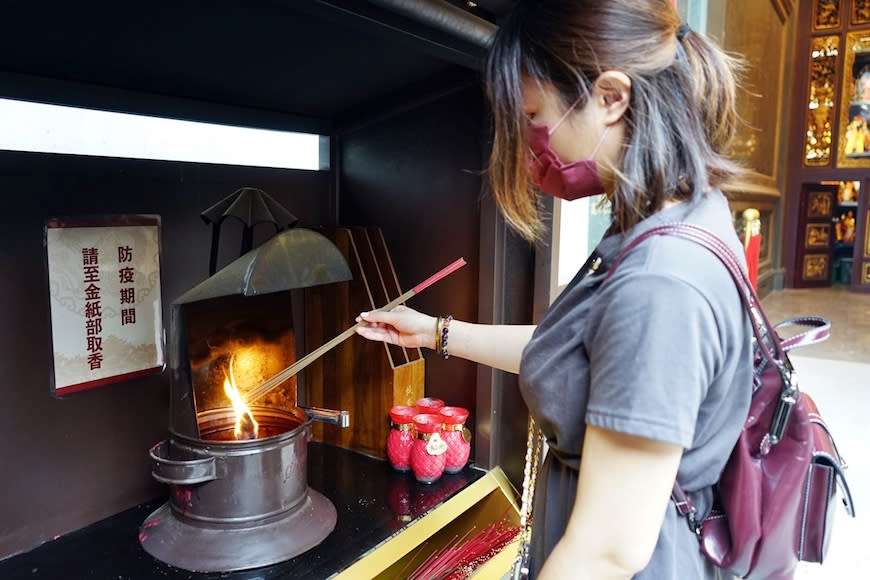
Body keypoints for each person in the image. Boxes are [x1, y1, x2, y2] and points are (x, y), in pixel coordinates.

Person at [355, 1, 752, 578]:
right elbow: (585, 356)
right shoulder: (667, 223)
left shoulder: (660, 281)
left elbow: (606, 552)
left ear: (611, 98)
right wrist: (435, 331)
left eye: (535, 116)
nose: (527, 143)